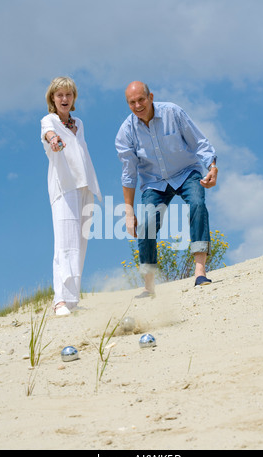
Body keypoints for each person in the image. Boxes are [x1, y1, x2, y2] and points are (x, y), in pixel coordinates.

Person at [115, 81, 218, 296]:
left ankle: (200, 272)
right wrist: (128, 211)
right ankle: (149, 285)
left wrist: (212, 167)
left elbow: (200, 143)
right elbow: (129, 174)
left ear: (150, 97)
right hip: (154, 182)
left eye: (141, 99)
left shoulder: (173, 112)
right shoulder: (126, 132)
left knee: (198, 204)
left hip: (186, 172)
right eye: (132, 102)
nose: (138, 105)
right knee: (146, 225)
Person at [41, 77, 101, 316]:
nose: (64, 99)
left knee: (80, 243)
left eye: (68, 95)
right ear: (52, 99)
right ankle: (60, 301)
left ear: (73, 98)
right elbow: (48, 134)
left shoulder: (80, 124)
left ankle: (72, 298)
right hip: (64, 188)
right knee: (65, 243)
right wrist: (54, 140)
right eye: (59, 95)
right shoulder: (50, 120)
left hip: (85, 187)